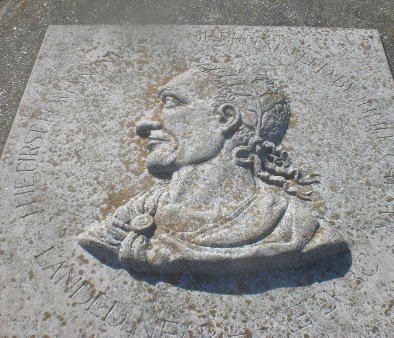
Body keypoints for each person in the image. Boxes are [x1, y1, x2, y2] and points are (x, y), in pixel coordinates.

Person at [78, 64, 320, 274]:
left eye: (171, 102)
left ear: (226, 119)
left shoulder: (294, 229)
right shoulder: (120, 224)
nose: (144, 124)